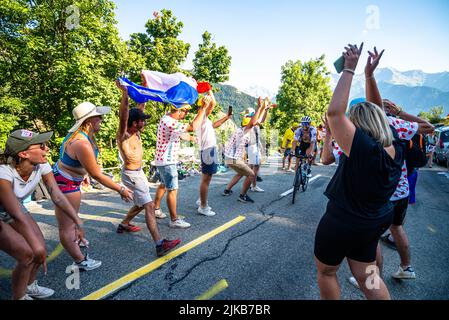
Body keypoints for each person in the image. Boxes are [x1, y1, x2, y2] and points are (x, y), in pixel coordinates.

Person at [314, 43, 404, 300]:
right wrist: (369, 75)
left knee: (327, 273)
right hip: (374, 221)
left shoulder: (363, 149)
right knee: (368, 275)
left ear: (360, 126)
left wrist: (349, 70)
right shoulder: (393, 145)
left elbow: (334, 113)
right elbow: (378, 112)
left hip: (344, 221)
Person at [0, 129, 86, 299]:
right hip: (8, 211)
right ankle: (19, 296)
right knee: (27, 254)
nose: (47, 149)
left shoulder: (41, 164)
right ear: (24, 153)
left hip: (13, 209)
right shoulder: (3, 172)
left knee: (40, 251)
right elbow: (16, 213)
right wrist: (36, 247)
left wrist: (78, 221)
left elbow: (57, 195)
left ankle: (30, 286)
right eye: (41, 146)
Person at [54, 102, 133, 271]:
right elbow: (96, 174)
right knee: (67, 226)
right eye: (99, 117)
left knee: (72, 218)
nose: (102, 119)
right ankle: (81, 261)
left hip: (67, 179)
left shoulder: (82, 135)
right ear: (89, 120)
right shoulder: (81, 143)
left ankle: (76, 241)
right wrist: (120, 189)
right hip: (66, 183)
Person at [115, 82, 181, 256]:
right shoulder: (124, 135)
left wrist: (143, 87)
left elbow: (140, 105)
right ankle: (160, 244)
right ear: (135, 122)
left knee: (140, 203)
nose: (144, 122)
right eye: (142, 120)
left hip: (138, 173)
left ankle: (124, 224)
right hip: (131, 175)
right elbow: (124, 116)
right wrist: (124, 94)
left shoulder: (136, 131)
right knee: (149, 205)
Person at [153, 97, 209, 229]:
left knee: (163, 184)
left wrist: (191, 138)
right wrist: (203, 108)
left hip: (162, 160)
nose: (186, 115)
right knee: (172, 189)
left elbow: (180, 134)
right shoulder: (169, 122)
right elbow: (193, 126)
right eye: (185, 112)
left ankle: (155, 209)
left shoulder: (167, 119)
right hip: (167, 161)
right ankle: (174, 220)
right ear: (179, 110)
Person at [222, 98, 270, 203]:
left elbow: (259, 120)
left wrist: (264, 108)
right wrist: (259, 107)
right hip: (234, 159)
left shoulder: (240, 129)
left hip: (229, 157)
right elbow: (254, 122)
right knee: (251, 174)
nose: (255, 124)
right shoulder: (246, 130)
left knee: (241, 173)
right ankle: (242, 195)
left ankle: (227, 190)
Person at [195, 96, 233, 217]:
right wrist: (209, 89)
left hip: (208, 149)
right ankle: (203, 206)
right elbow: (214, 102)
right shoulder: (202, 115)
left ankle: (201, 200)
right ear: (204, 104)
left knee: (205, 177)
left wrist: (226, 118)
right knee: (207, 178)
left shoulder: (204, 118)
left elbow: (214, 125)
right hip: (207, 149)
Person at [248, 105, 270, 193]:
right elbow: (261, 120)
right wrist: (263, 109)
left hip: (253, 146)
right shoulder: (252, 122)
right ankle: (253, 186)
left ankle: (250, 183)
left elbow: (262, 120)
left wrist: (265, 110)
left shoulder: (252, 122)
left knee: (252, 167)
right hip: (252, 147)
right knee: (255, 168)